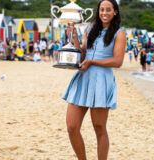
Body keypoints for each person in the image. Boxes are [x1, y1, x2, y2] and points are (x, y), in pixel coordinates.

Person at [63, 0, 126, 159]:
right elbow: (82, 55)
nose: (104, 13)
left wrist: (92, 62)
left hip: (102, 81)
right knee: (72, 127)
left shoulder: (120, 32)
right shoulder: (90, 29)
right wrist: (75, 38)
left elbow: (117, 61)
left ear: (115, 12)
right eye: (101, 10)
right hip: (83, 78)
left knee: (99, 128)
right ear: (98, 12)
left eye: (108, 10)